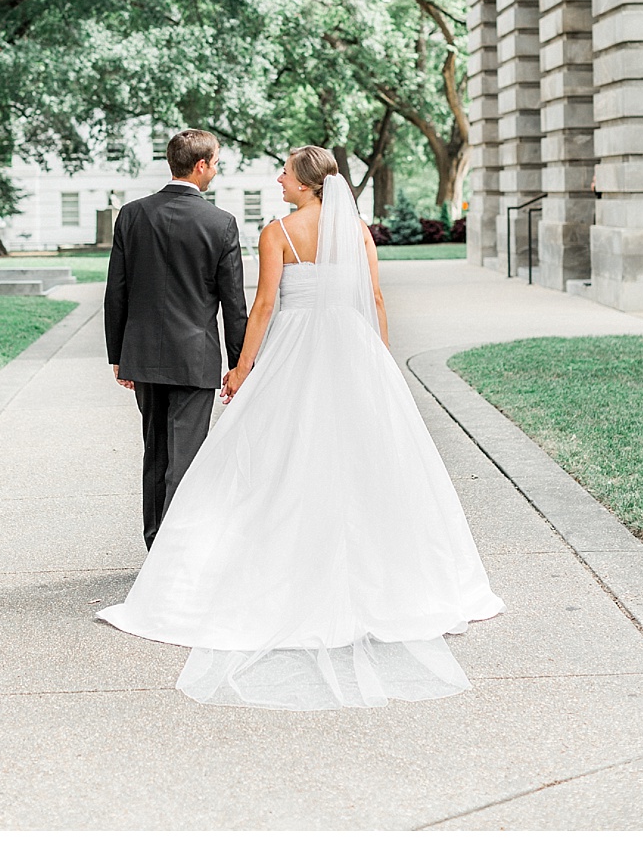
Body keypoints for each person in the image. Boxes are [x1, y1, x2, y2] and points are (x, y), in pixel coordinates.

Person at [98, 145, 503, 709]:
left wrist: (242, 370)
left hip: (295, 350)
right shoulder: (357, 232)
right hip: (354, 348)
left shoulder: (279, 233)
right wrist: (380, 361)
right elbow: (375, 298)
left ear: (308, 184)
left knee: (276, 459)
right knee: (363, 461)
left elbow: (264, 306)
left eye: (286, 173)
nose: (279, 179)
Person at [104, 128, 246, 550]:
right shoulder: (220, 223)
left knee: (156, 453)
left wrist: (118, 355)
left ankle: (155, 543)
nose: (216, 170)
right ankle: (175, 552)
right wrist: (239, 363)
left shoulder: (132, 215)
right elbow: (233, 303)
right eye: (215, 163)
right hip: (194, 358)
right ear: (200, 166)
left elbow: (116, 290)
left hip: (143, 356)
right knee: (186, 457)